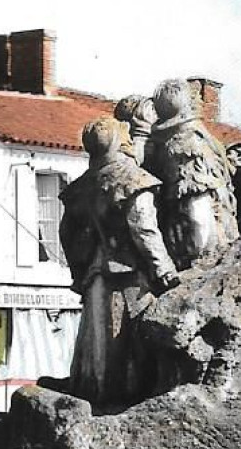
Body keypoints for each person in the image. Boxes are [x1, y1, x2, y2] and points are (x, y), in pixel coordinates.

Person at [59, 117, 180, 407]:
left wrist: (81, 269)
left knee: (94, 348)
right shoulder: (131, 180)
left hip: (93, 276)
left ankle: (92, 396)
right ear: (120, 141)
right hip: (129, 278)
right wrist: (165, 271)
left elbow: (66, 235)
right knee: (126, 349)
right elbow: (144, 230)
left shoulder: (80, 188)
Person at [144, 78, 239, 271]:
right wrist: (203, 261)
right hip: (208, 256)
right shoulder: (187, 144)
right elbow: (198, 212)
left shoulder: (165, 145)